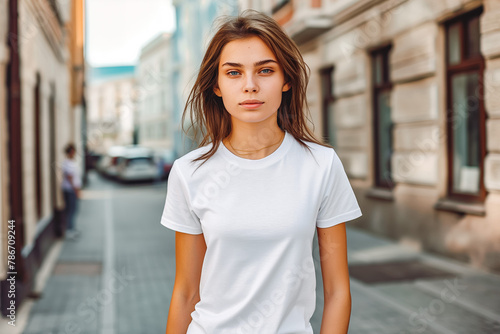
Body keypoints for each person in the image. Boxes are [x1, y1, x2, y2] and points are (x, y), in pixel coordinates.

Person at [160, 10, 362, 334]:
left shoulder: (321, 166)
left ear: (286, 81)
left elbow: (338, 291)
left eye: (265, 70)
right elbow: (185, 292)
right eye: (234, 73)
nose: (250, 86)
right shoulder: (189, 173)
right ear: (216, 85)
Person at [62, 143, 81, 240]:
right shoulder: (68, 163)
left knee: (73, 210)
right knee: (71, 210)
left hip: (71, 189)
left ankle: (72, 228)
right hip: (70, 190)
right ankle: (69, 230)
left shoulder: (71, 162)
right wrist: (75, 189)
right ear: (70, 152)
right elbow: (70, 177)